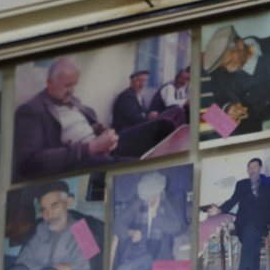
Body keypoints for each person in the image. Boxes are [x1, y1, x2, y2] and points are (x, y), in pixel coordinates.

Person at [12, 57, 183, 180]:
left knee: (163, 125)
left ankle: (165, 159)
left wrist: (105, 133)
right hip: (80, 160)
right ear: (50, 83)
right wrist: (89, 148)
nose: (72, 90)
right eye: (67, 85)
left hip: (101, 145)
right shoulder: (31, 111)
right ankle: (162, 170)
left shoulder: (72, 101)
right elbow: (31, 161)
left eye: (74, 84)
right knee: (144, 164)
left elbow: (92, 123)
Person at [109, 170, 188, 270]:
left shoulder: (170, 201)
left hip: (157, 253)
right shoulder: (138, 201)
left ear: (159, 192)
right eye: (144, 198)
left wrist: (155, 217)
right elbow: (117, 223)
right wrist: (130, 232)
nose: (146, 201)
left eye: (150, 197)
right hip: (136, 251)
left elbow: (179, 227)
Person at [206, 157, 270, 270]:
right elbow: (232, 200)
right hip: (243, 221)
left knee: (251, 230)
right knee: (251, 232)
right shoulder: (241, 184)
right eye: (249, 168)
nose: (251, 170)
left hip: (262, 221)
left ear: (260, 168)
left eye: (254, 167)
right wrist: (219, 210)